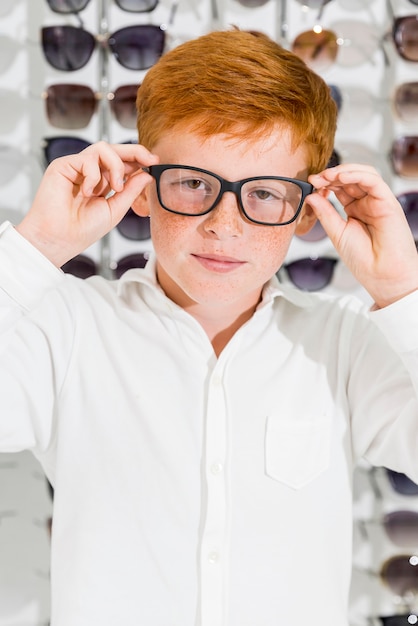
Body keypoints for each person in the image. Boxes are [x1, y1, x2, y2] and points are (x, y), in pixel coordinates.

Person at [1, 27, 418, 626]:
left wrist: (403, 290)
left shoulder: (347, 347)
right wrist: (36, 246)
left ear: (306, 209)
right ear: (143, 189)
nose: (226, 226)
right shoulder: (67, 332)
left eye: (266, 193)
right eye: (195, 184)